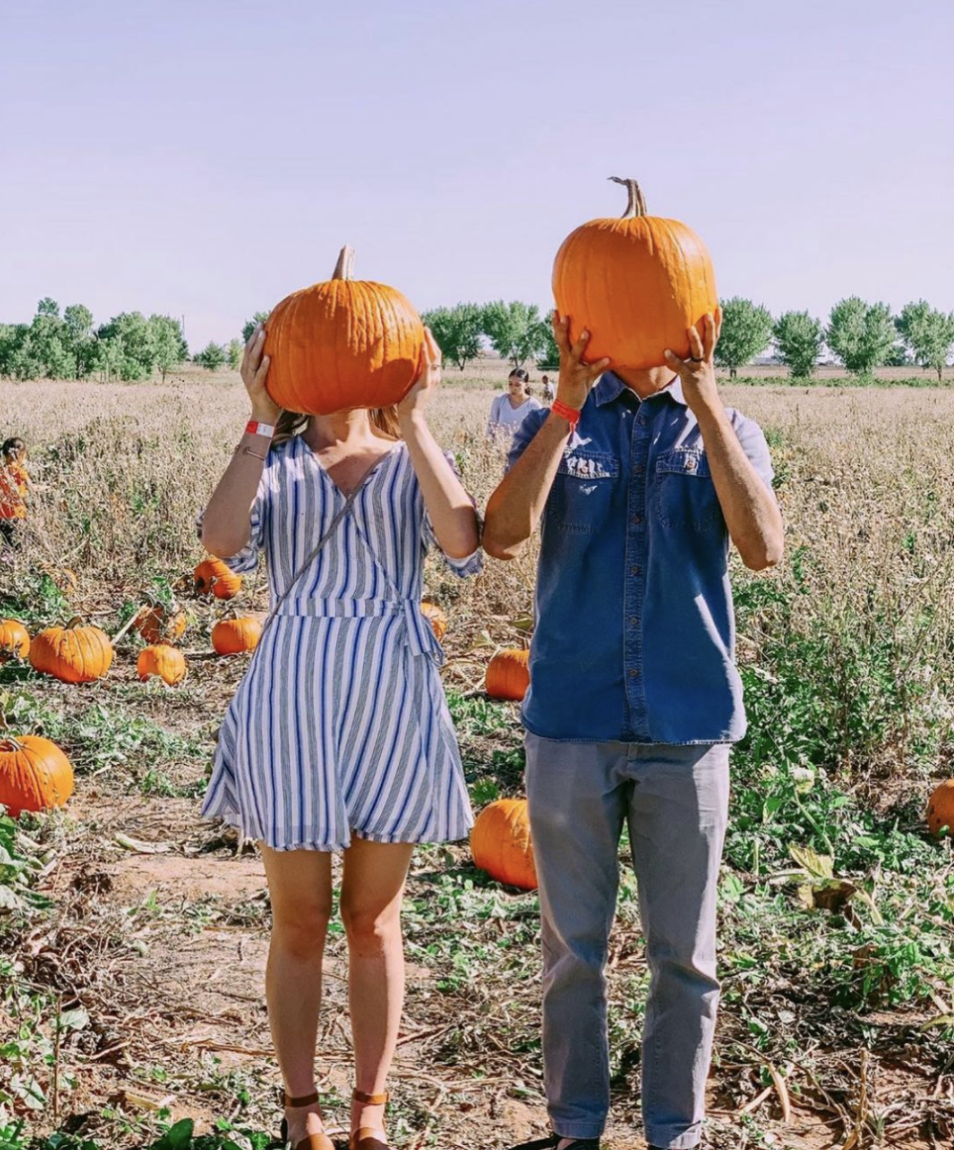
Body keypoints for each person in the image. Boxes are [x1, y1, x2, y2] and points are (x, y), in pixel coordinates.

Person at [484, 312, 783, 1150]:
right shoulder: (563, 423)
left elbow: (763, 546)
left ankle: (672, 1134)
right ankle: (576, 1129)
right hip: (573, 719)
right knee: (572, 955)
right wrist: (566, 405)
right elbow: (503, 536)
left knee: (685, 960)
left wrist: (709, 404)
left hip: (687, 725)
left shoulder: (726, 425)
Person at [199, 326, 481, 1150]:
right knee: (299, 919)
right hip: (293, 697)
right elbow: (220, 543)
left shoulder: (408, 460)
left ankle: (371, 1108)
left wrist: (417, 420)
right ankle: (301, 1111)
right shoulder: (278, 462)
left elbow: (462, 542)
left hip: (391, 696)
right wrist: (259, 417)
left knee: (375, 919)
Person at [487, 368, 543, 440]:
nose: (513, 388)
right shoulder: (499, 400)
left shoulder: (534, 405)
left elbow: (538, 434)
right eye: (510, 384)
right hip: (500, 447)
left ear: (526, 385)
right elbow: (491, 425)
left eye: (517, 385)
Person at [0, 437, 31, 550]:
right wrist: (49, 486)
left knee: (7, 542)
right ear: (19, 454)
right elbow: (32, 487)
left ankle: (7, 561)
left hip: (1, 515)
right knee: (20, 544)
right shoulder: (20, 471)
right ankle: (17, 565)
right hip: (17, 515)